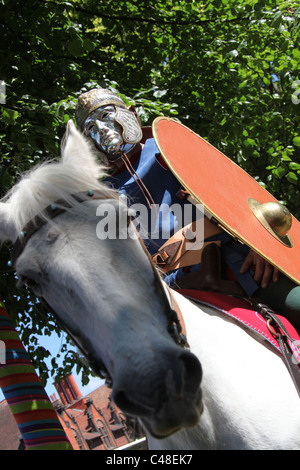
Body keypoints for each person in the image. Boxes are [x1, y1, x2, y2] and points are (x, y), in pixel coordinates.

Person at [75, 88, 300, 330]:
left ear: (130, 115)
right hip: (175, 295)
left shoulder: (169, 146)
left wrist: (261, 242)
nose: (100, 129)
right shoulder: (101, 197)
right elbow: (119, 268)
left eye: (106, 115)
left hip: (239, 263)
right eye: (90, 128)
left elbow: (238, 192)